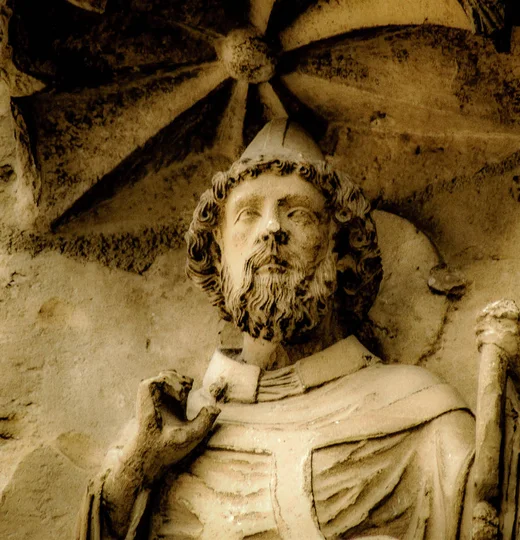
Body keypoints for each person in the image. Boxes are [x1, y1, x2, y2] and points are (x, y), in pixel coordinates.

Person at [77, 118, 476, 540]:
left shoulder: (422, 416)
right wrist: (136, 473)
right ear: (216, 254)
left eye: (297, 214)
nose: (271, 230)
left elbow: (492, 510)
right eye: (249, 214)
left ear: (340, 251)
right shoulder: (165, 434)